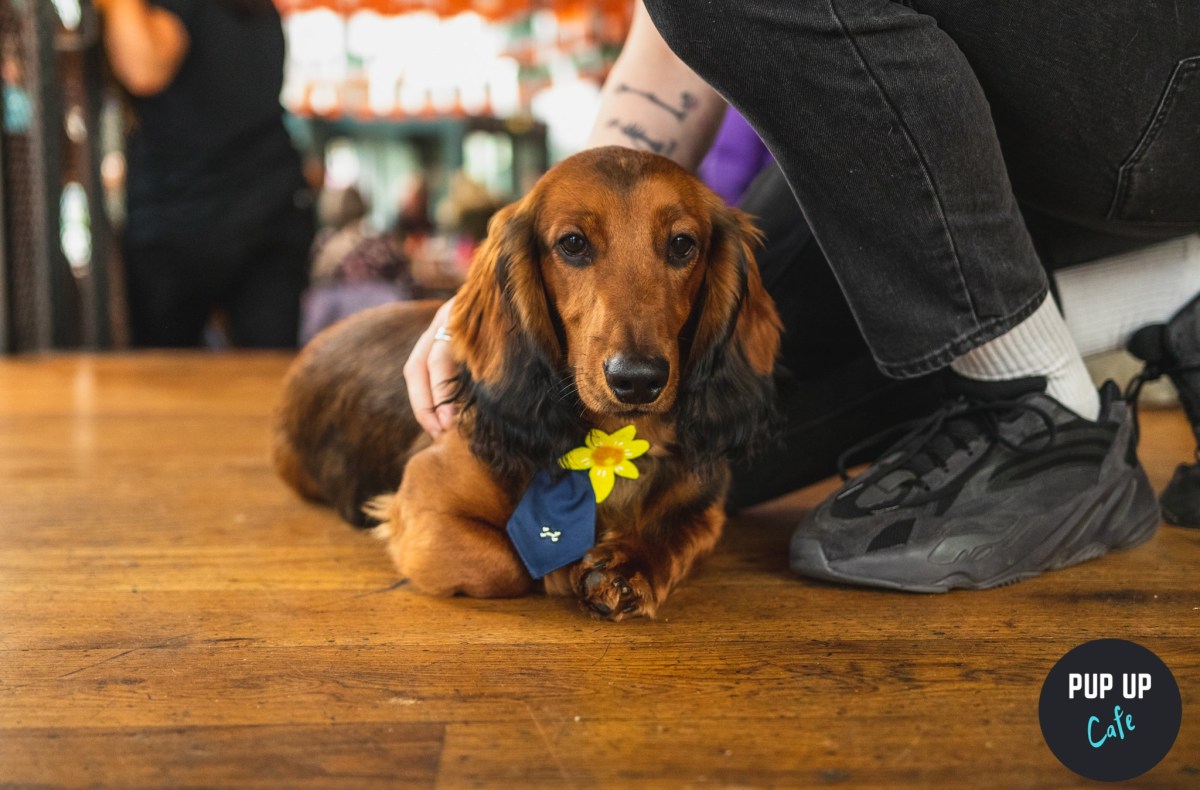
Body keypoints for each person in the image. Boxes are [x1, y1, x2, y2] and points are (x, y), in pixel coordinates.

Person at [406, 2, 1200, 591]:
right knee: (714, 448)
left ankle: (1039, 402)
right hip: (1000, 123)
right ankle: (1171, 294)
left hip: (1159, 80)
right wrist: (552, 247)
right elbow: (661, 69)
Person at [97, 0, 313, 348]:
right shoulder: (258, 10)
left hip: (185, 216)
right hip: (271, 203)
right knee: (268, 372)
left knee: (164, 378)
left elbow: (144, 69)